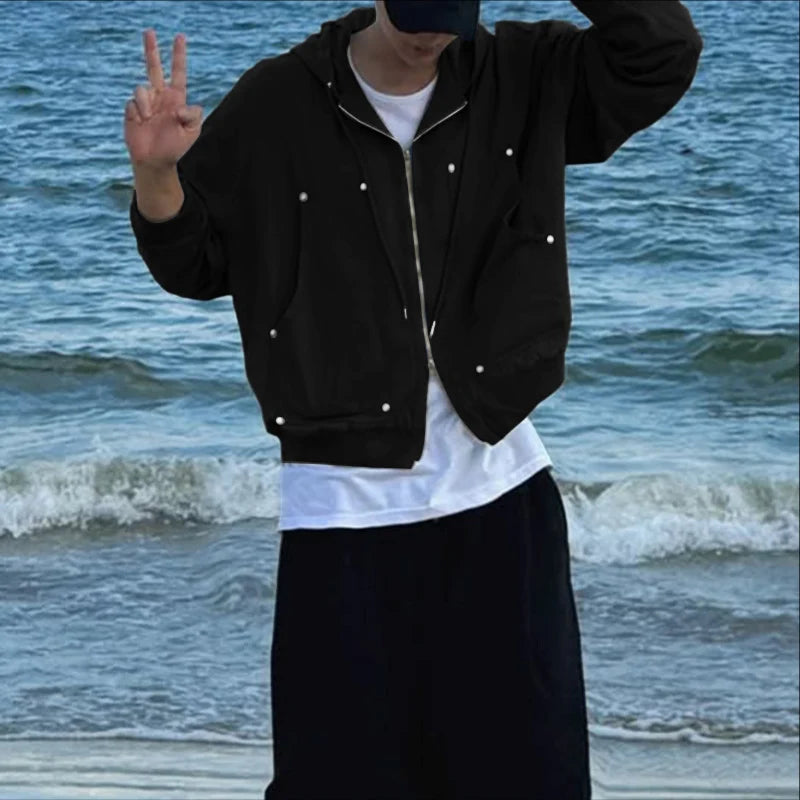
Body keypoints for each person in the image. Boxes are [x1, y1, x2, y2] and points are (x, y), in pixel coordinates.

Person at [125, 1, 703, 797]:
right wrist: (157, 176)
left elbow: (661, 51)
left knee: (532, 779)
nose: (434, 33)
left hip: (502, 500)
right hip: (342, 518)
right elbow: (194, 262)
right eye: (419, 12)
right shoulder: (278, 102)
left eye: (451, 13)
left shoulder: (519, 75)